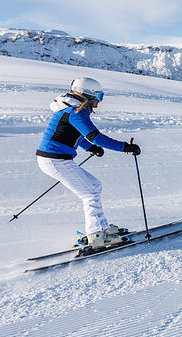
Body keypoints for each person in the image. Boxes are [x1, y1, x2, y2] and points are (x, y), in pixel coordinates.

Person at [36, 77, 141, 248]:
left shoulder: (71, 109)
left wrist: (90, 148)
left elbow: (77, 135)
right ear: (87, 95)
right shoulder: (76, 111)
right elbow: (96, 137)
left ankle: (103, 228)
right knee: (90, 193)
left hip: (55, 158)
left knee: (94, 186)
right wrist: (125, 147)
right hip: (54, 159)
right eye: (98, 97)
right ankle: (96, 235)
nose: (98, 103)